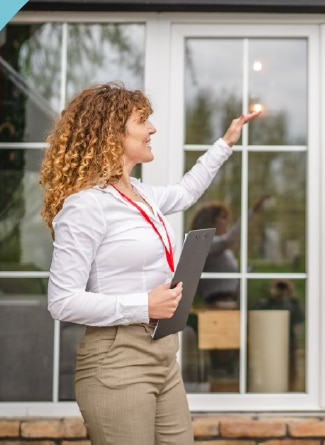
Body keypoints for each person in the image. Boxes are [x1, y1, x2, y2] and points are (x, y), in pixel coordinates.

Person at [39, 82, 260, 445]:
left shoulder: (142, 194)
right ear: (113, 132)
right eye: (143, 121)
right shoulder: (85, 206)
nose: (152, 129)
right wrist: (144, 305)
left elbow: (188, 191)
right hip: (116, 360)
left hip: (163, 354)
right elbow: (62, 301)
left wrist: (226, 142)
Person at [190, 195, 271, 308]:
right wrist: (252, 212)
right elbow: (229, 239)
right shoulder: (205, 243)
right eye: (223, 217)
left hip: (228, 303)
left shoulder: (222, 250)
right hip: (217, 304)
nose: (227, 221)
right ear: (210, 220)